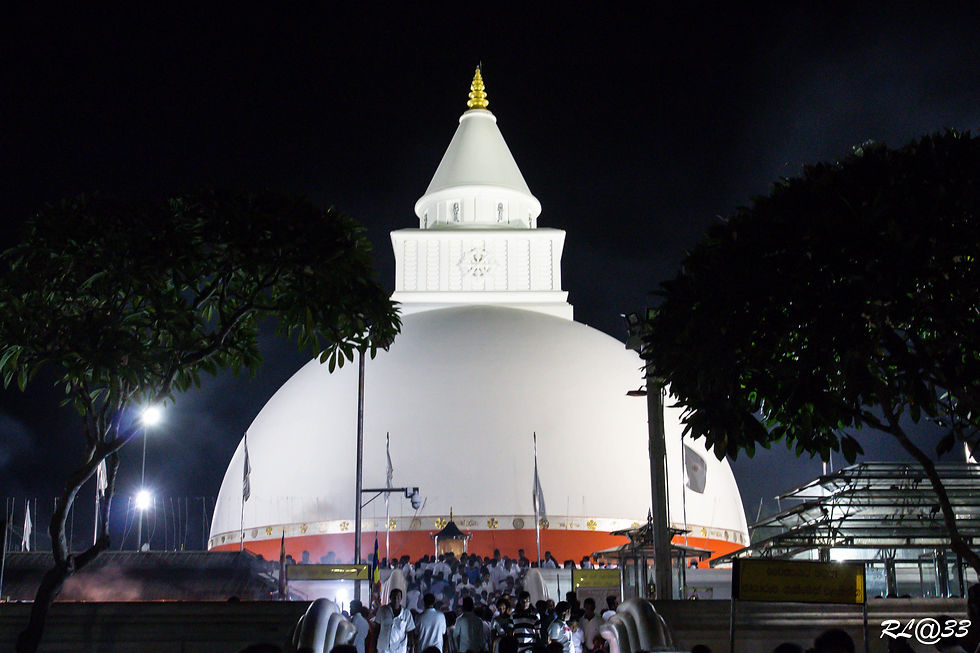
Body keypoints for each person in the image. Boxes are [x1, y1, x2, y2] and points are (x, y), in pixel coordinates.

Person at [374, 589, 416, 653]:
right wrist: (373, 647)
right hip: (383, 649)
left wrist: (412, 648)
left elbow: (410, 632)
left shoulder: (406, 613)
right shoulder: (382, 610)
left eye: (398, 597)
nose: (396, 599)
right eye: (394, 597)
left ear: (401, 598)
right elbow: (377, 629)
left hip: (399, 649)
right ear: (390, 597)